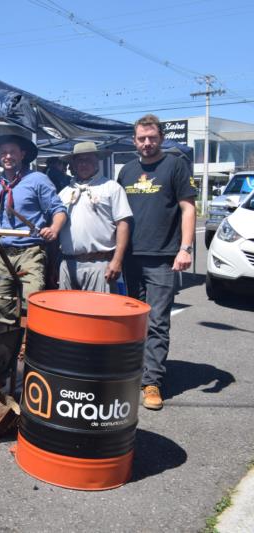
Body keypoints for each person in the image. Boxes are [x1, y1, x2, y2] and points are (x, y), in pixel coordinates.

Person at [118, 114, 196, 411]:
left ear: (161, 138)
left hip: (163, 258)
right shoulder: (126, 171)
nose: (147, 143)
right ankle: (135, 370)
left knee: (158, 322)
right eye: (141, 138)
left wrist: (185, 248)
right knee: (133, 322)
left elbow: (188, 209)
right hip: (130, 259)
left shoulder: (175, 165)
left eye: (152, 138)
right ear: (134, 140)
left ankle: (152, 382)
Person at [0, 134, 66, 323]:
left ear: (22, 155)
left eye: (12, 152)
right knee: (2, 306)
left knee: (32, 304)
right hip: (1, 253)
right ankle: (6, 348)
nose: (8, 156)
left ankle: (30, 349)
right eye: (3, 152)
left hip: (30, 252)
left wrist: (54, 228)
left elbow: (59, 209)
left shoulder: (38, 180)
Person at [57, 142, 132, 293]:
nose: (84, 164)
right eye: (79, 160)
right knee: (68, 313)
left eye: (89, 160)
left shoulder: (111, 188)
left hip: (100, 264)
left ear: (97, 161)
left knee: (98, 314)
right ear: (73, 164)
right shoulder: (64, 192)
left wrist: (117, 260)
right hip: (68, 264)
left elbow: (123, 224)